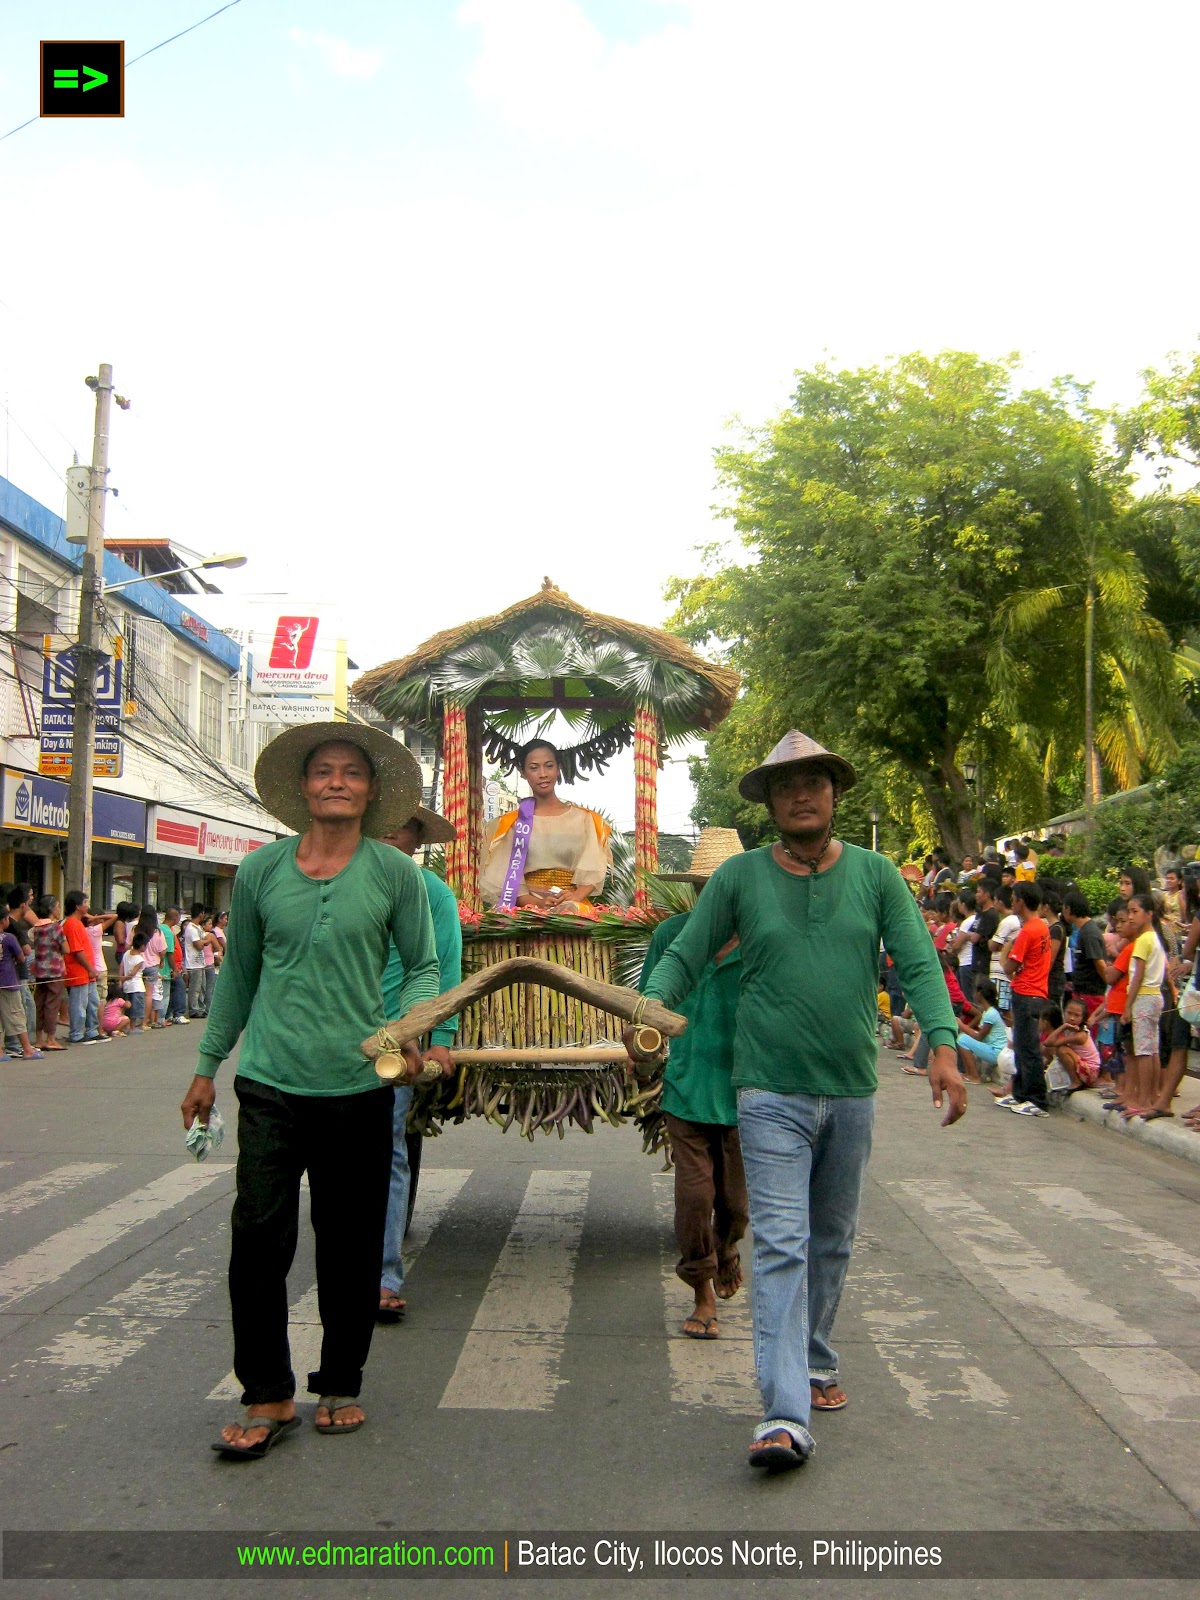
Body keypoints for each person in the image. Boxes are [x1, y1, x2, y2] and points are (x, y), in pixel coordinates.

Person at [632, 730, 965, 1475]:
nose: (802, 794)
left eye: (815, 781)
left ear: (834, 794)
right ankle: (784, 1413)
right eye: (787, 786)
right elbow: (686, 954)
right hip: (768, 1091)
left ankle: (814, 1359)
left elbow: (916, 960)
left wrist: (942, 1043)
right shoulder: (741, 880)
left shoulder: (878, 875)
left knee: (832, 1239)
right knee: (782, 1241)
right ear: (771, 803)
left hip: (849, 1090)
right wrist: (653, 1007)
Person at [181, 722, 444, 1460]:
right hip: (270, 1080)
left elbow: (424, 965)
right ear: (303, 787)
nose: (335, 781)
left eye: (350, 772)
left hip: (359, 1084)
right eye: (323, 771)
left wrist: (409, 1027)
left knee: (350, 1244)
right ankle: (267, 1391)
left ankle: (340, 1381)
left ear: (370, 791)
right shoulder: (261, 870)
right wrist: (207, 1067)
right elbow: (237, 978)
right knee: (257, 1238)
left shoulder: (397, 876)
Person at [641, 828, 750, 1341]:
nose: (715, 898)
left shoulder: (759, 941)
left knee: (737, 1207)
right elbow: (649, 1000)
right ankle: (702, 1290)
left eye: (724, 888)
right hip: (686, 1083)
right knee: (693, 1196)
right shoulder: (672, 936)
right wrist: (641, 1047)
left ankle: (727, 1246)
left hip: (747, 1086)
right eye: (707, 888)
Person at [377, 805, 463, 1324]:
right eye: (388, 818)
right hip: (329, 1039)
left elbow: (443, 965)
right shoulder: (339, 877)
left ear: (418, 837)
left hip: (396, 1043)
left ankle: (384, 1273)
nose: (393, 830)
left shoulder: (432, 892)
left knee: (387, 1154)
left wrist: (441, 1036)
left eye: (406, 825)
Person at [479, 739, 612, 912]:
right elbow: (508, 882)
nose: (543, 774)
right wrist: (538, 904)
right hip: (528, 910)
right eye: (534, 768)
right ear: (523, 773)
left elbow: (594, 871)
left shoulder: (584, 819)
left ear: (559, 769)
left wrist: (576, 896)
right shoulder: (512, 823)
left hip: (573, 908)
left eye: (549, 766)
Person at [999, 882, 1052, 1116]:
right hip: (1035, 991)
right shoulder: (1042, 926)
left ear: (1021, 901)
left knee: (1028, 1047)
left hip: (1026, 991)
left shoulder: (1029, 930)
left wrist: (1004, 956)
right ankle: (1020, 1093)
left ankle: (1036, 1099)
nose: (1011, 901)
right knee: (1022, 1045)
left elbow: (1010, 965)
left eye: (1013, 897)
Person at [1120, 893, 1169, 1117]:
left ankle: (1143, 1099)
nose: (1130, 917)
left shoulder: (1144, 940)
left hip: (1144, 997)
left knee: (1143, 1051)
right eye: (1129, 912)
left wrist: (1128, 1006)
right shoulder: (1153, 938)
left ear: (1149, 914)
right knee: (1151, 1049)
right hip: (1154, 996)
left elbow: (1138, 976)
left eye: (1135, 912)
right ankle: (1150, 1097)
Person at [61, 891, 108, 1045]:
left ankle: (92, 1030)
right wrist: (89, 968)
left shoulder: (79, 923)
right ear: (77, 906)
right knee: (79, 1004)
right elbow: (76, 950)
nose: (87, 905)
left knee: (92, 1001)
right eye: (85, 902)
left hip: (87, 972)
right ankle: (76, 1033)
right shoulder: (72, 924)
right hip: (79, 971)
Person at [0, 907, 41, 1059]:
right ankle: (27, 1049)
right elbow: (22, 957)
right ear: (4, 920)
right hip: (8, 981)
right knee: (17, 1014)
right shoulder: (9, 938)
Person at [29, 895, 67, 1051]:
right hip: (55, 970)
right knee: (52, 1004)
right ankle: (50, 1038)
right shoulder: (56, 927)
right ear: (51, 909)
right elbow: (66, 948)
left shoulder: (36, 928)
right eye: (57, 906)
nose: (59, 909)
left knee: (39, 1003)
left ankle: (38, 1039)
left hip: (39, 970)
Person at [1063, 889, 1107, 1019]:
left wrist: (1109, 988)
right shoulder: (1084, 930)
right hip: (1082, 992)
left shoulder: (1089, 933)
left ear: (1069, 909)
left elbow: (1099, 963)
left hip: (1090, 995)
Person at [1042, 995, 1101, 1091]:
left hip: (1091, 1072)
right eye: (1069, 1013)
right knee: (1050, 1049)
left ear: (1083, 1018)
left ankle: (1076, 1081)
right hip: (1082, 1066)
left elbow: (1050, 1043)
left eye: (1077, 1015)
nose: (1072, 1018)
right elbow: (1047, 1043)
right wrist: (1064, 1026)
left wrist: (1064, 1027)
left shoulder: (1080, 1035)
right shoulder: (1069, 1029)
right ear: (1064, 1012)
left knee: (1062, 1049)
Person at [956, 977, 1008, 1085]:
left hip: (996, 1051)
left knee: (962, 1040)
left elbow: (980, 1037)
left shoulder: (991, 1014)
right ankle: (969, 1073)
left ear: (979, 994)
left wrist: (962, 1026)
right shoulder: (988, 1012)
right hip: (993, 1048)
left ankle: (974, 1076)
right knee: (964, 1038)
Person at [988, 885, 1019, 1021]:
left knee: (1003, 1010)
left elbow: (993, 945)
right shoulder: (1015, 920)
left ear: (1000, 901)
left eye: (995, 899)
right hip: (1004, 972)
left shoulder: (1008, 921)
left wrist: (991, 942)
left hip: (1000, 973)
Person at [162, 907, 189, 1024]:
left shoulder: (166, 929)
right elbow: (169, 952)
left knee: (171, 991)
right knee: (179, 987)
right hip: (170, 966)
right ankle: (178, 1013)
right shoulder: (166, 931)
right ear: (174, 918)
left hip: (172, 966)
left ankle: (169, 1014)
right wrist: (175, 968)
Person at [184, 904, 209, 1018]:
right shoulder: (191, 928)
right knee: (195, 988)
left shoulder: (198, 927)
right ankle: (194, 1009)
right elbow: (199, 945)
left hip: (200, 962)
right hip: (193, 964)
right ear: (201, 914)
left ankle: (201, 1007)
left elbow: (206, 940)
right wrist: (203, 942)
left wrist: (203, 941)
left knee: (202, 986)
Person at [121, 931, 149, 1032]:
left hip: (127, 986)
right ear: (142, 946)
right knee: (135, 1009)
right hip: (137, 986)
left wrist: (121, 979)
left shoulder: (126, 953)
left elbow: (122, 966)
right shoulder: (139, 959)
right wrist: (124, 978)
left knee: (127, 1007)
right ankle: (133, 1027)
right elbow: (133, 974)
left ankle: (127, 1027)